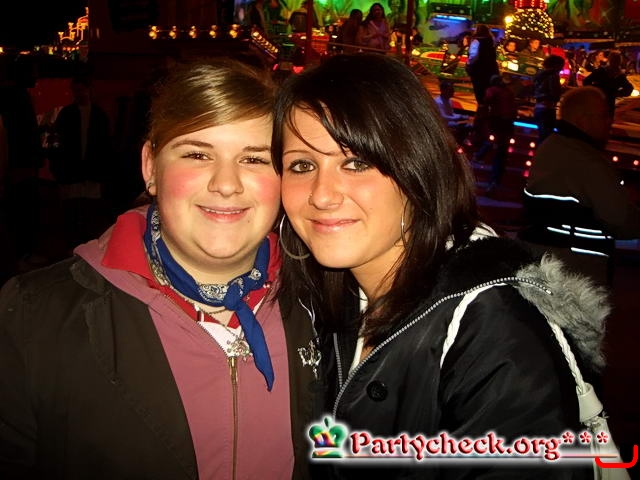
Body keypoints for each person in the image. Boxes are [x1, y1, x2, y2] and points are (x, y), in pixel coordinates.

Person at [272, 53, 605, 479]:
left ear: (419, 168)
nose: (321, 194)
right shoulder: (320, 300)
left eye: (357, 162)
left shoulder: (493, 326)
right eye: (302, 165)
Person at [0, 58, 319, 479]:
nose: (226, 184)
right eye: (197, 154)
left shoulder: (329, 305)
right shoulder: (32, 317)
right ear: (151, 166)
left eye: (255, 159)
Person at [527, 86, 640, 240]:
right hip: (578, 251)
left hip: (544, 246)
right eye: (603, 116)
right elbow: (623, 222)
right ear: (582, 121)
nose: (610, 122)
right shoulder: (589, 162)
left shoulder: (550, 146)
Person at [50, 74, 113, 251]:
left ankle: (85, 244)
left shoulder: (98, 115)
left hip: (90, 170)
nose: (79, 94)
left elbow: (105, 144)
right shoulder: (68, 114)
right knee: (73, 210)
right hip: (72, 170)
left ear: (89, 90)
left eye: (81, 90)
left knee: (88, 210)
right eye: (76, 90)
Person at [533, 54, 565, 143]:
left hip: (538, 107)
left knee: (541, 135)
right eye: (561, 66)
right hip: (548, 108)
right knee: (547, 137)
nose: (562, 68)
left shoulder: (539, 74)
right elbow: (555, 92)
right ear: (556, 65)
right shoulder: (553, 75)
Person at [465, 24, 499, 103]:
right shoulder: (491, 41)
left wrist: (468, 64)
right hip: (491, 68)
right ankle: (487, 105)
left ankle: (481, 106)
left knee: (479, 89)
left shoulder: (476, 41)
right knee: (487, 88)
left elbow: (473, 56)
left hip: (479, 69)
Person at [433, 80, 471, 144]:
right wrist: (460, 117)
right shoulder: (438, 102)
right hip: (442, 124)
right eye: (450, 90)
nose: (453, 92)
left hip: (449, 122)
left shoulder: (449, 101)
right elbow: (443, 117)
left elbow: (451, 114)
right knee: (467, 126)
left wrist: (462, 116)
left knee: (469, 126)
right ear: (443, 90)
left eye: (452, 90)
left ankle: (461, 140)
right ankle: (460, 141)